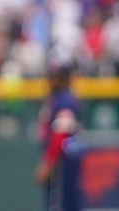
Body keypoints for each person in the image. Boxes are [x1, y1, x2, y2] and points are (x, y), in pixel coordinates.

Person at [35, 62, 81, 211]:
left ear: (63, 79)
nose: (50, 80)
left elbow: (61, 135)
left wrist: (49, 163)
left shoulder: (65, 100)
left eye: (55, 77)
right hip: (58, 160)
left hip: (62, 161)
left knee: (61, 203)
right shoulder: (56, 98)